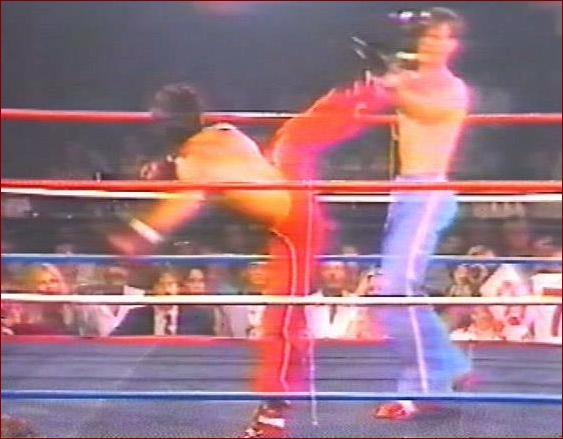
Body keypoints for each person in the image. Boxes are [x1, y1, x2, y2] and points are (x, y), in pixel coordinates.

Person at [108, 81, 388, 437]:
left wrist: (140, 234)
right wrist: (168, 166)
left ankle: (273, 415)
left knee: (282, 320)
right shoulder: (224, 132)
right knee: (295, 135)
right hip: (290, 184)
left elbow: (186, 201)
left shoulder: (194, 165)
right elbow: (216, 165)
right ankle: (364, 90)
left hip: (295, 224)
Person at [366, 7, 474, 420]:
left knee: (395, 287)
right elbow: (377, 97)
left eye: (441, 36)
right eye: (427, 35)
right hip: (403, 190)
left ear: (453, 45)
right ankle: (453, 365)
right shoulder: (406, 77)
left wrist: (390, 80)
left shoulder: (453, 88)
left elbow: (422, 110)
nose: (432, 43)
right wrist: (382, 74)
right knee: (394, 289)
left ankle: (424, 388)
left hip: (429, 191)